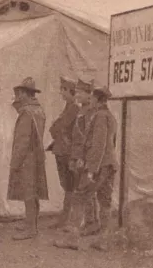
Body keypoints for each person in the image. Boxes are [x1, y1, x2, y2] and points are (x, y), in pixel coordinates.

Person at [53, 78, 98, 250]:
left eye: (80, 92)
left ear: (89, 95)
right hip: (78, 156)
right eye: (76, 91)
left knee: (81, 193)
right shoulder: (83, 111)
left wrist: (82, 158)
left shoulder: (89, 113)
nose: (77, 94)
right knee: (83, 192)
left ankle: (73, 235)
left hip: (84, 158)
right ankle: (91, 223)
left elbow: (87, 139)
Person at [7, 77, 48, 241]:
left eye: (19, 92)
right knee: (34, 191)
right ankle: (31, 223)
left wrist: (15, 163)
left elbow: (23, 141)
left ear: (25, 94)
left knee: (29, 192)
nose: (17, 96)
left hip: (27, 158)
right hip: (36, 156)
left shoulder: (26, 113)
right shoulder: (38, 110)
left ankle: (31, 228)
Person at [83, 86, 119, 251]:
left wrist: (91, 168)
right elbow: (113, 143)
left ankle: (95, 235)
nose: (90, 102)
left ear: (98, 100)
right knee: (105, 199)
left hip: (101, 165)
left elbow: (99, 145)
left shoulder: (99, 116)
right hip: (109, 163)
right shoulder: (111, 117)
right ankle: (104, 238)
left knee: (86, 194)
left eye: (91, 99)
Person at [47, 76, 79, 229]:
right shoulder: (68, 107)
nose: (61, 93)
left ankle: (68, 220)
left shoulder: (74, 108)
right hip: (61, 150)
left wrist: (57, 128)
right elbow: (54, 128)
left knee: (71, 186)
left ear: (69, 91)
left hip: (68, 152)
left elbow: (59, 127)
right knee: (67, 186)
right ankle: (65, 219)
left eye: (63, 90)